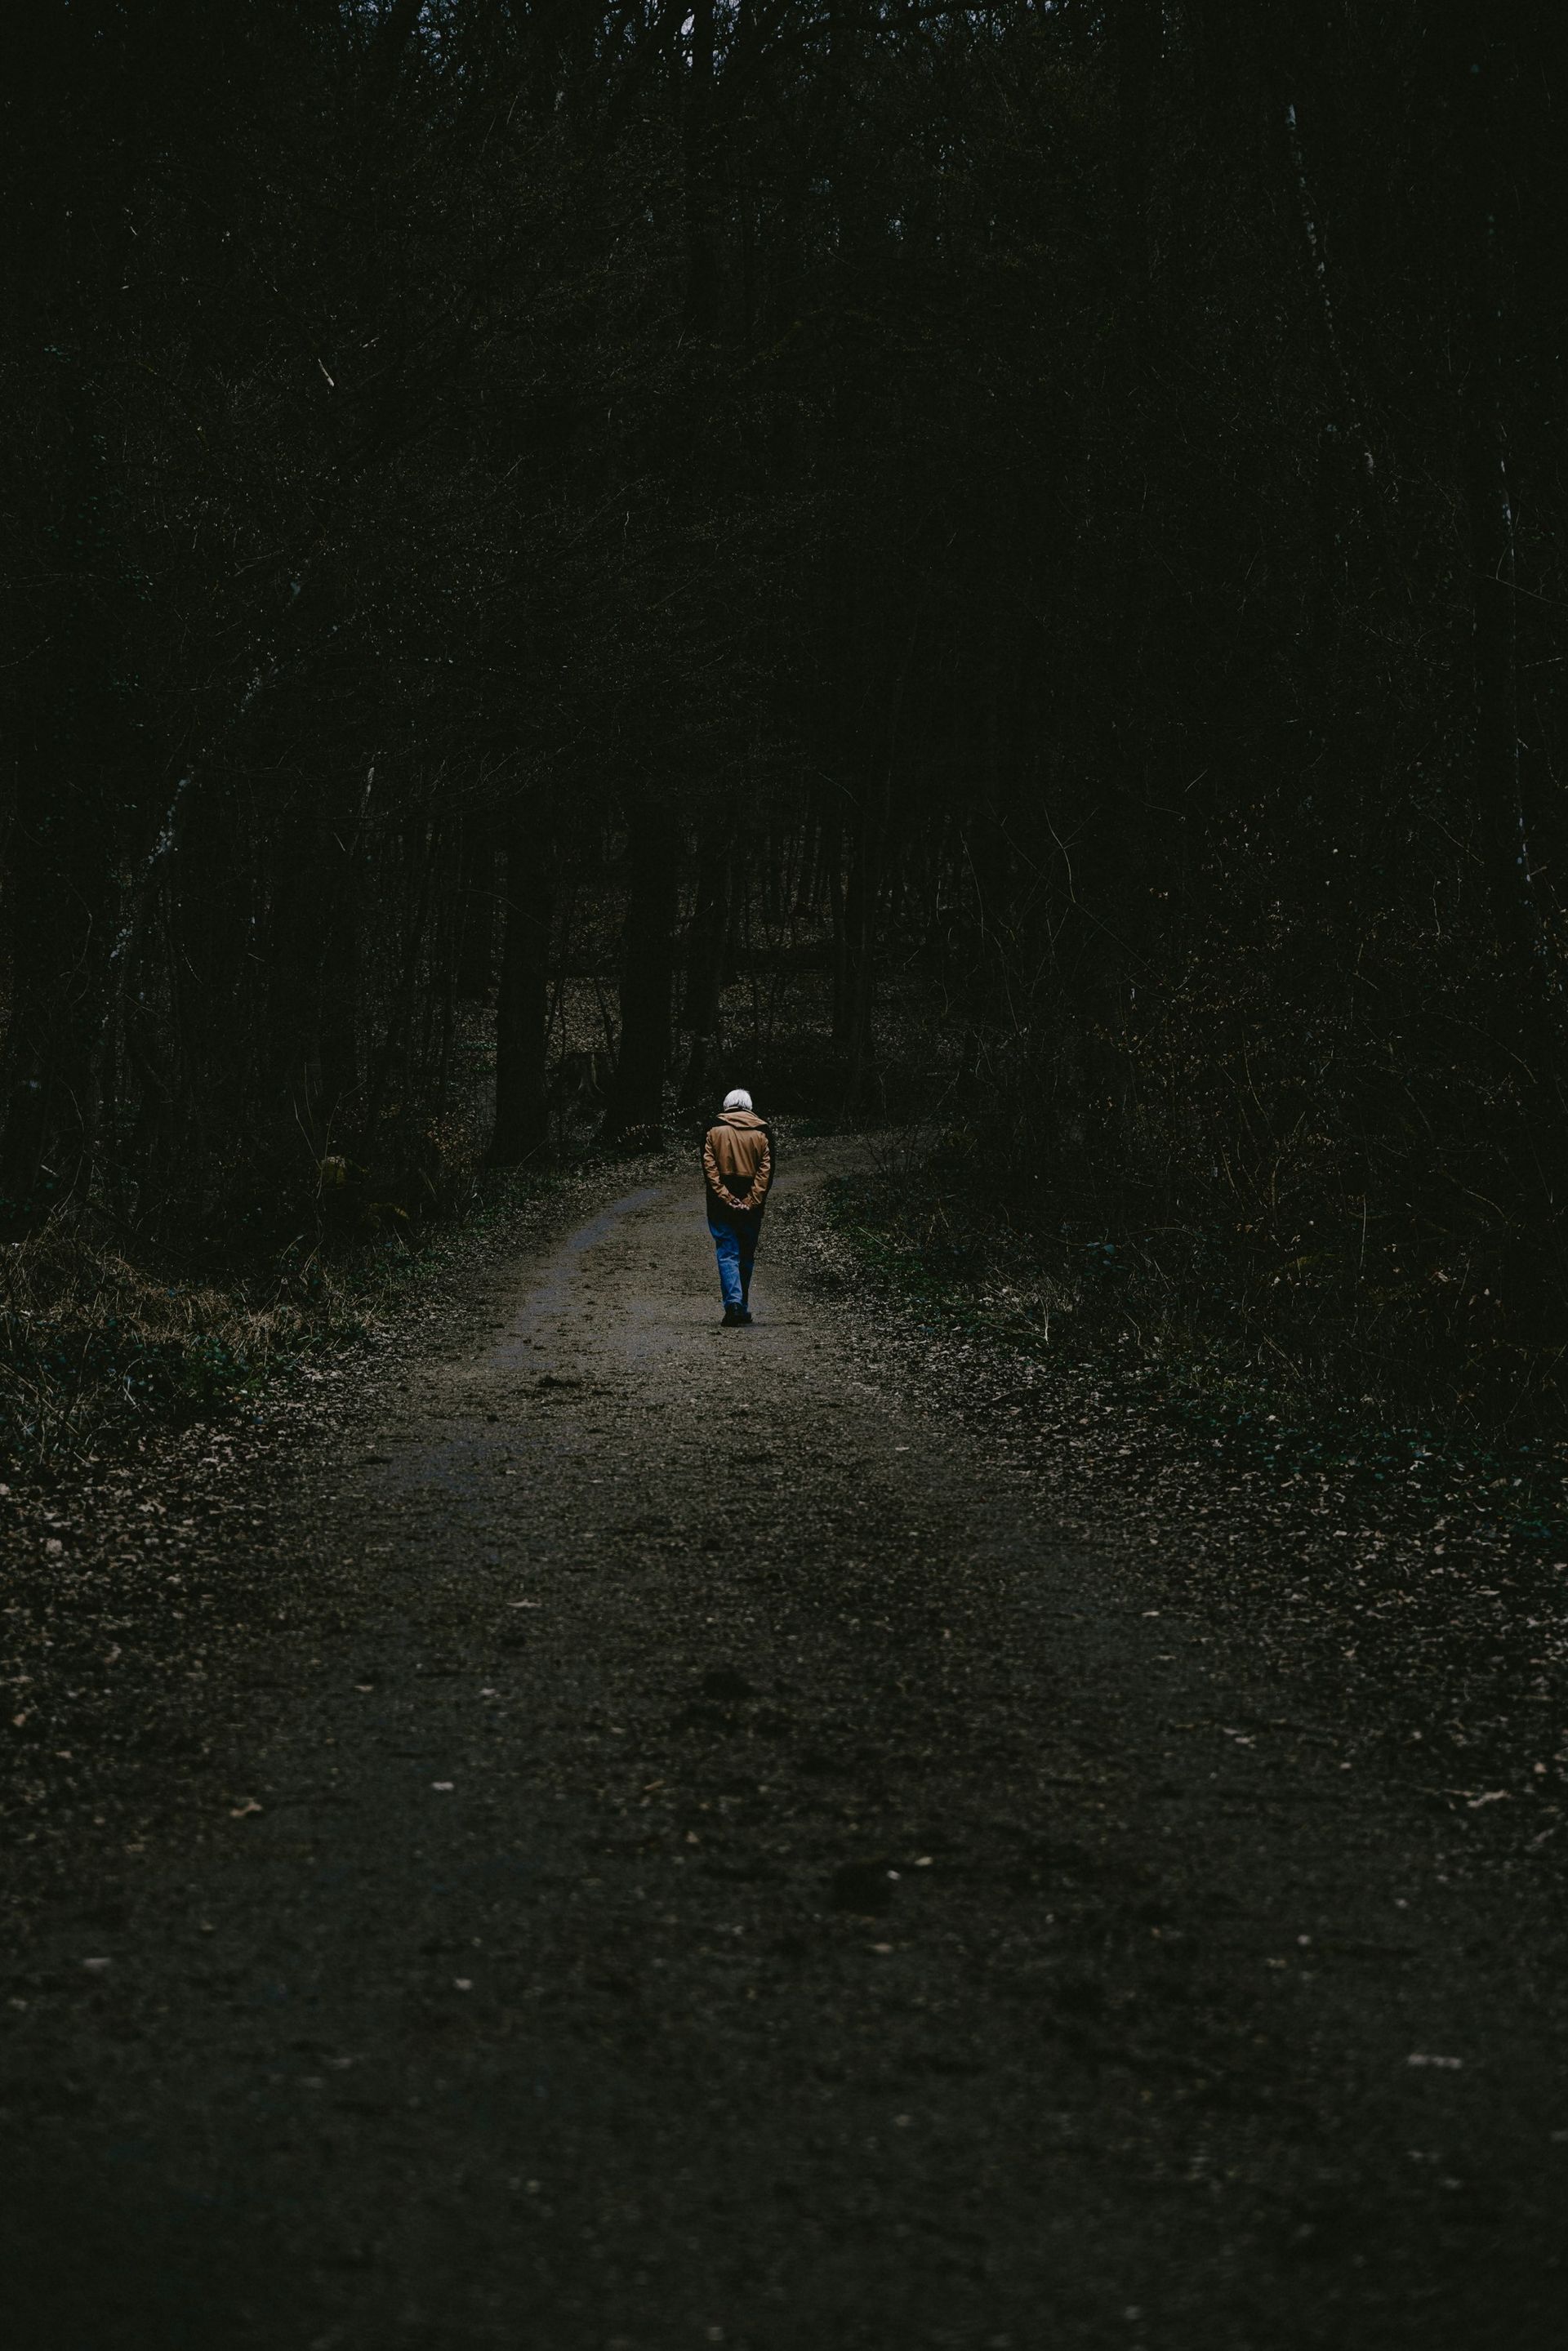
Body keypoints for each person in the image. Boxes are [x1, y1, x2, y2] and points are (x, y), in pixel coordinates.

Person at [702, 1088, 773, 1326]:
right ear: (749, 1106)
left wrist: (726, 1197)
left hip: (720, 1204)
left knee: (727, 1251)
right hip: (751, 1207)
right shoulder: (763, 1132)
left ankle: (734, 1304)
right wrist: (751, 1201)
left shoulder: (713, 1130)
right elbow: (766, 1173)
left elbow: (709, 1170)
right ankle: (740, 1306)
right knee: (746, 1254)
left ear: (728, 1105)